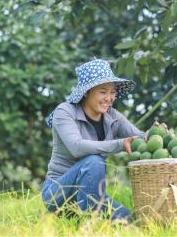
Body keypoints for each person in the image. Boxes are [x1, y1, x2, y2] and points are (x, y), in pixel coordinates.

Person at [41, 59, 143, 221]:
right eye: (103, 92)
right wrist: (120, 144)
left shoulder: (112, 115)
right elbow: (77, 147)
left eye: (112, 92)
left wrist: (154, 135)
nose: (109, 98)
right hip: (57, 192)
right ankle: (88, 224)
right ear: (86, 92)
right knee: (94, 161)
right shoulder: (64, 112)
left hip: (90, 194)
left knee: (130, 220)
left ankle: (79, 215)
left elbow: (138, 139)